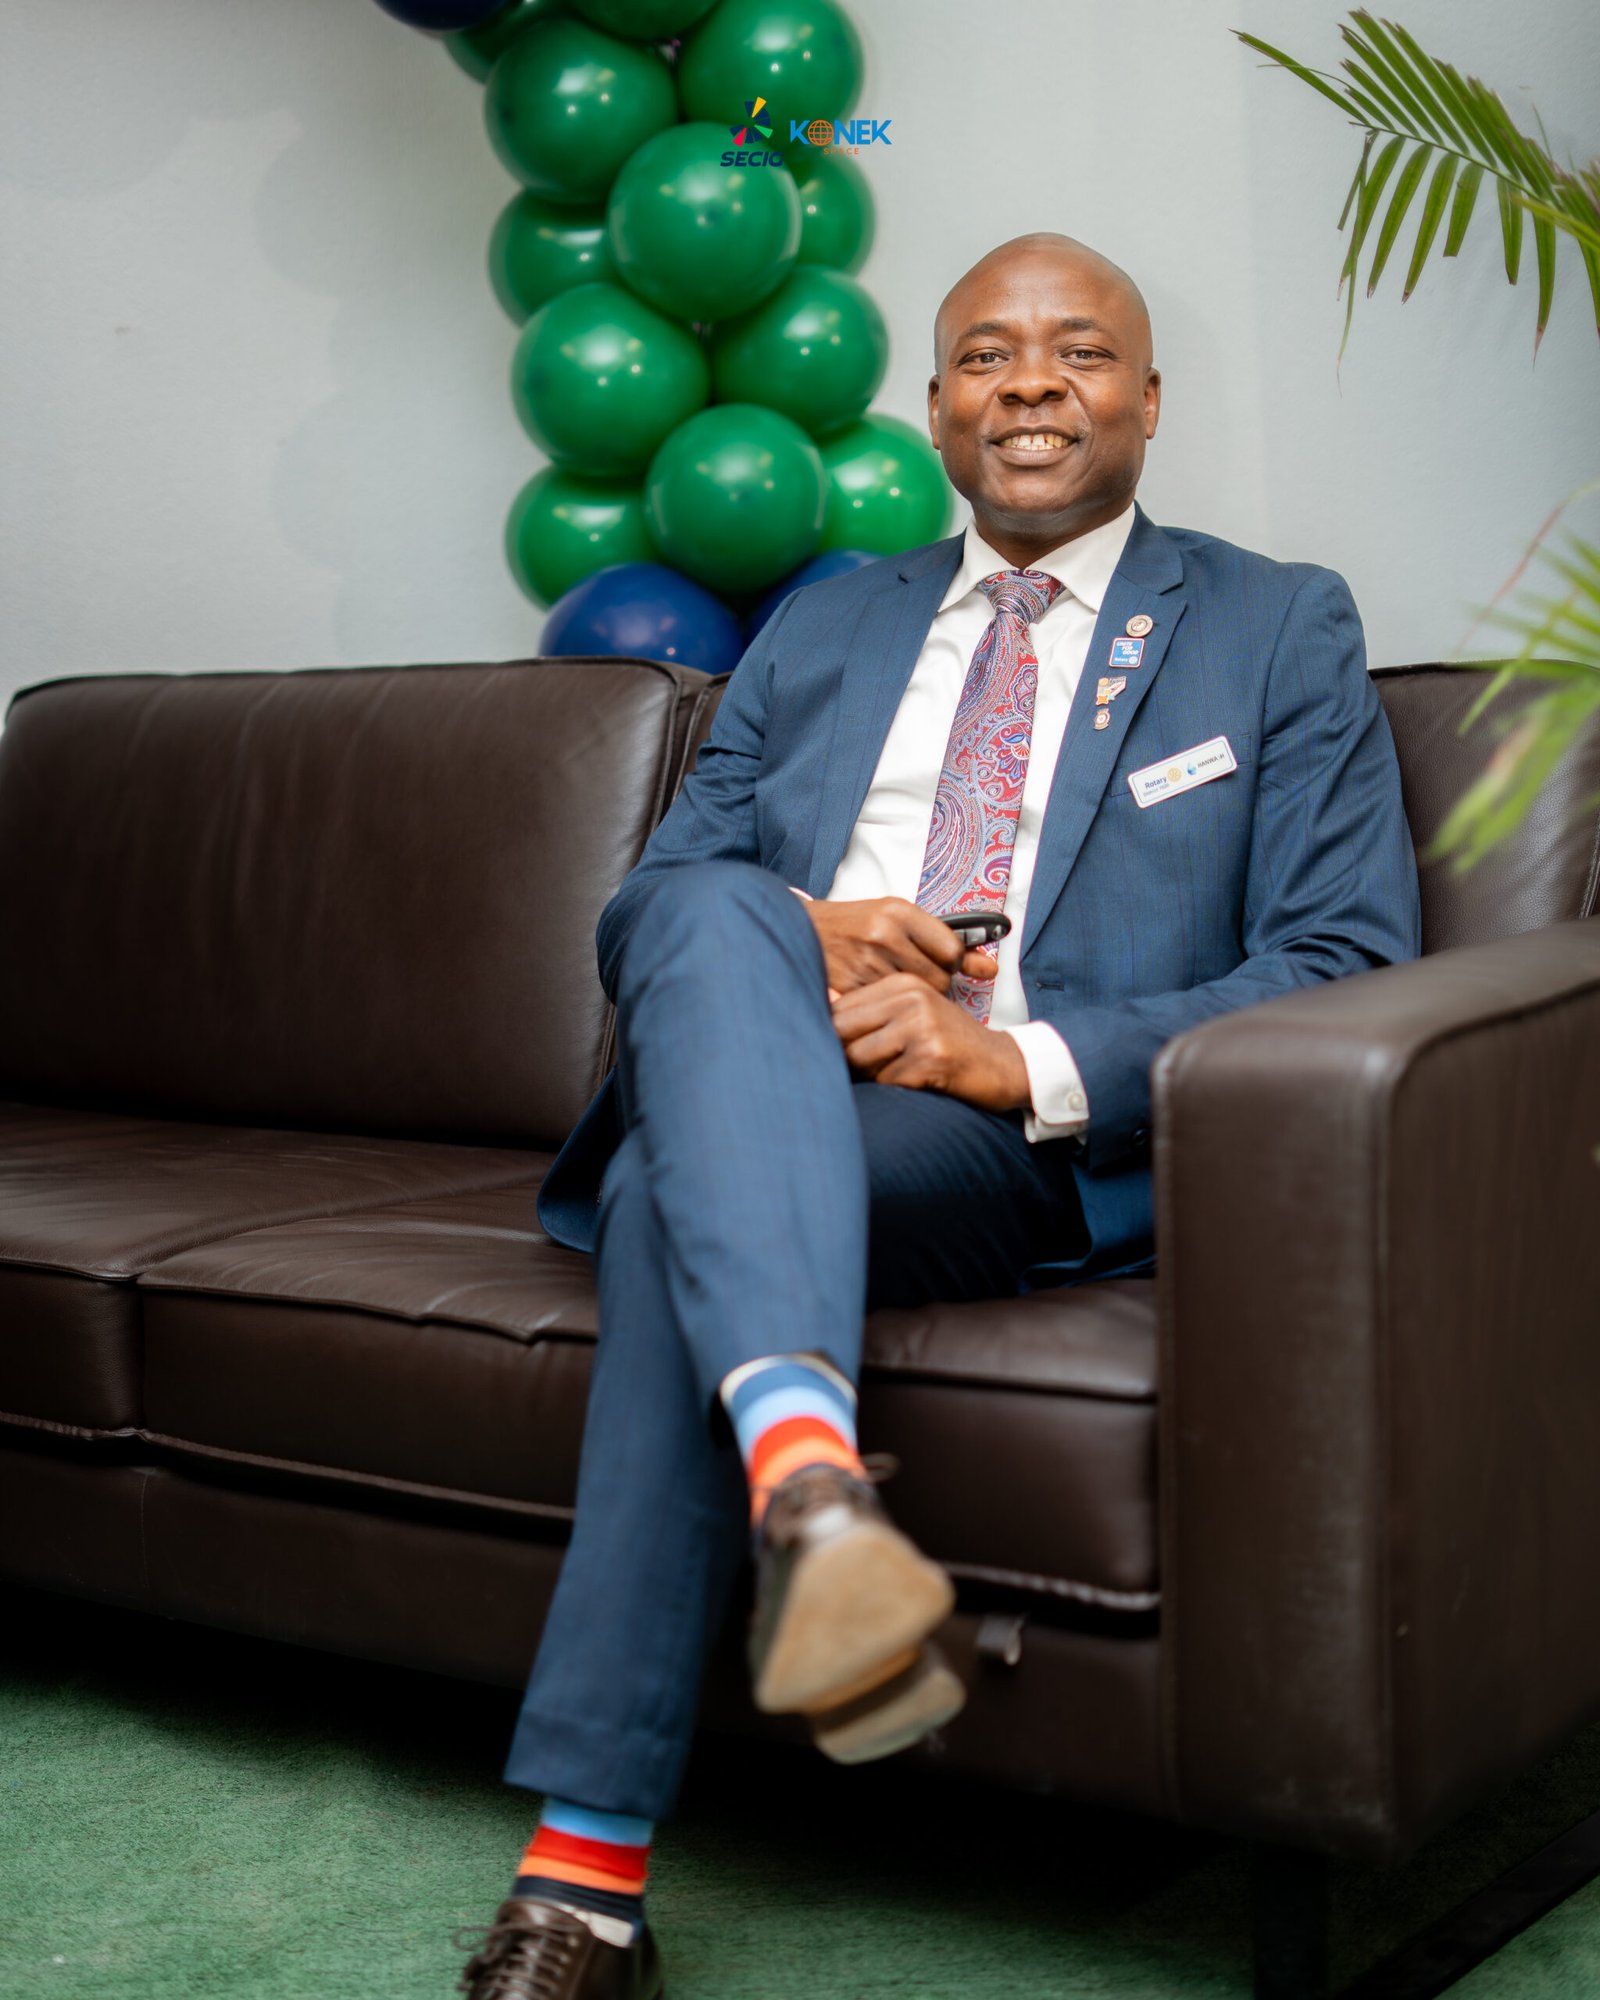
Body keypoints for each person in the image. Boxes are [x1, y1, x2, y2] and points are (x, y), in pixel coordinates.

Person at [455, 232, 1422, 1999]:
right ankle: (809, 1495)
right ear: (933, 408)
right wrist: (808, 931)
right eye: (986, 353)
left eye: (1078, 352)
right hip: (774, 1054)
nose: (1030, 381)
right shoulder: (827, 621)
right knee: (708, 907)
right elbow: (651, 907)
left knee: (675, 1192)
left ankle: (586, 1875)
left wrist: (1016, 1059)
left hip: (1006, 1138)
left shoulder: (1278, 623)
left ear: (1148, 400)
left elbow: (1344, 955)